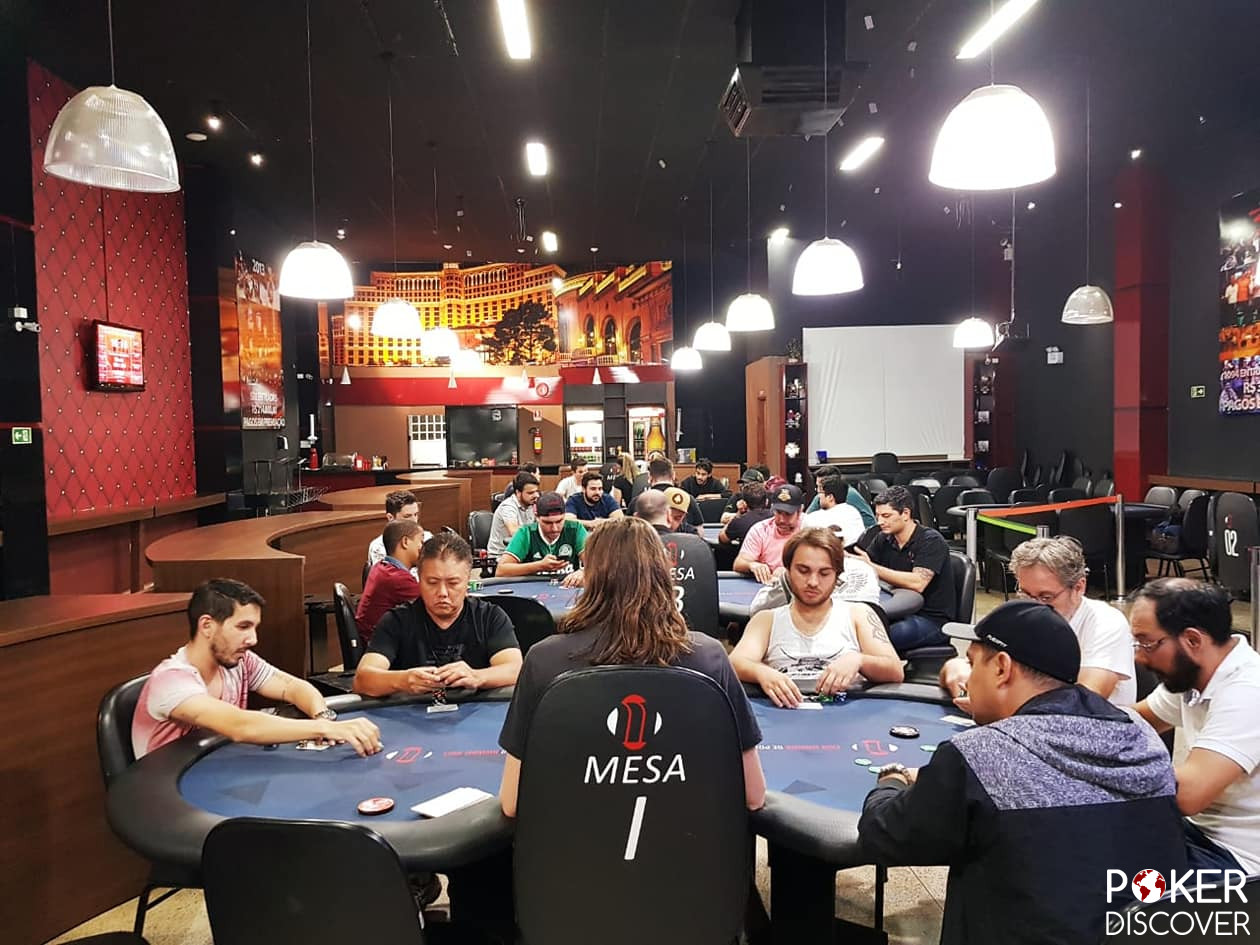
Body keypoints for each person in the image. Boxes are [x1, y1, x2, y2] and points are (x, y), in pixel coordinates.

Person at [858, 600, 1185, 945]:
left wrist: (892, 779)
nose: (969, 678)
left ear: (1002, 668)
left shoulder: (981, 753)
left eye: (972, 663)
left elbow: (885, 837)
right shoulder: (1142, 735)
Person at [498, 516, 766, 815]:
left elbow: (512, 803)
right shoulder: (710, 657)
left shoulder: (542, 660)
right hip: (688, 839)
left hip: (574, 841)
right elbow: (754, 795)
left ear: (590, 576)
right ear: (663, 574)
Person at [132, 579, 382, 758]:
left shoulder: (240, 661)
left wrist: (322, 716)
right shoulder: (171, 680)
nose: (253, 639)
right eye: (243, 627)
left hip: (219, 773)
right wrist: (327, 728)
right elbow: (240, 726)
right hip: (167, 797)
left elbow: (293, 687)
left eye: (254, 627)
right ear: (207, 626)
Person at [1130, 577, 1260, 873]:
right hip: (1197, 834)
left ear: (1192, 640)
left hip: (1240, 859)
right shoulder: (1193, 676)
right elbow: (1134, 721)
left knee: (1103, 883)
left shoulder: (1248, 692)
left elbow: (1188, 794)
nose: (1139, 656)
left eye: (1147, 643)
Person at [940, 536, 1135, 709]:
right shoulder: (1022, 616)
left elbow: (1084, 702)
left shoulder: (1106, 623)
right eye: (1025, 594)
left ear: (1078, 587)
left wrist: (993, 701)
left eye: (1046, 597)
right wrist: (960, 672)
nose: (1034, 606)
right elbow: (969, 664)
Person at [730, 529, 903, 706]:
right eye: (803, 571)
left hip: (845, 714)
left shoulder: (859, 614)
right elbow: (735, 662)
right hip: (784, 712)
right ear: (788, 571)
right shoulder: (766, 620)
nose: (813, 582)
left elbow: (895, 670)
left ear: (837, 576)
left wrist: (859, 660)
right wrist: (761, 672)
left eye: (824, 573)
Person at [353, 533, 523, 697]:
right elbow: (362, 679)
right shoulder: (396, 621)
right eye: (432, 583)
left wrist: (477, 676)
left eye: (453, 583)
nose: (442, 592)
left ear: (467, 583)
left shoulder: (490, 617)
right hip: (413, 712)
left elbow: (515, 669)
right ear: (419, 580)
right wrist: (403, 680)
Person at [850, 486, 954, 652]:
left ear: (905, 514)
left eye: (886, 516)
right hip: (898, 611)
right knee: (855, 630)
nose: (880, 522)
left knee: (874, 638)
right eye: (878, 516)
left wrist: (871, 567)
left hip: (931, 619)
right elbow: (865, 569)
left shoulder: (931, 541)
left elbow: (917, 583)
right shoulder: (884, 538)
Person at [496, 491, 588, 587]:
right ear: (537, 517)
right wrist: (539, 566)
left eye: (559, 521)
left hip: (568, 589)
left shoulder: (575, 529)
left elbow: (595, 563)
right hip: (532, 589)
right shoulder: (526, 533)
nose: (554, 528)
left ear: (565, 516)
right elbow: (501, 571)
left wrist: (583, 571)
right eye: (547, 523)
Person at [355, 520, 423, 643]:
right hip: (380, 645)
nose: (423, 549)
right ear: (405, 542)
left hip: (372, 638)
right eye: (421, 542)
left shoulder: (380, 567)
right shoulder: (398, 579)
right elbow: (430, 606)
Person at [733, 484, 804, 584]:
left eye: (788, 514)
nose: (782, 520)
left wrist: (790, 572)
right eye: (778, 512)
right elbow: (739, 563)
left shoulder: (809, 529)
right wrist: (752, 565)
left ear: (800, 511)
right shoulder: (760, 530)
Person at [367, 490, 431, 569]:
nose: (414, 521)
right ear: (390, 518)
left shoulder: (428, 538)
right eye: (407, 516)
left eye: (415, 514)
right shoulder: (378, 546)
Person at [487, 471, 539, 557]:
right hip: (501, 555)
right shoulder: (508, 507)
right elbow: (515, 532)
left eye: (536, 491)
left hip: (523, 552)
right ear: (518, 493)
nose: (536, 495)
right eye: (530, 493)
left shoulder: (530, 504)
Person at [804, 465, 876, 527]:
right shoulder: (821, 495)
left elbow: (870, 521)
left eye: (821, 487)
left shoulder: (849, 495)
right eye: (817, 486)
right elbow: (807, 517)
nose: (818, 491)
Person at [645, 456, 705, 530]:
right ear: (673, 475)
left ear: (650, 477)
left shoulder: (639, 502)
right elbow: (699, 531)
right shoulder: (688, 499)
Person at [802, 475, 865, 546]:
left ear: (830, 497)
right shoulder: (854, 512)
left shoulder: (813, 518)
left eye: (820, 493)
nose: (819, 497)